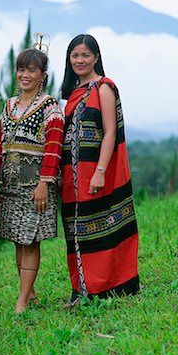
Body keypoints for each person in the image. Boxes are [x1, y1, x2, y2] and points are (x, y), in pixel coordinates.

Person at [60, 34, 139, 308]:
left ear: (96, 57)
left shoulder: (103, 87)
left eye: (85, 55)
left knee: (103, 226)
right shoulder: (72, 93)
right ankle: (81, 288)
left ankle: (107, 287)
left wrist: (101, 171)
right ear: (69, 60)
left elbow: (109, 132)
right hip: (71, 176)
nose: (80, 60)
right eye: (75, 55)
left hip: (94, 171)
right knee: (77, 231)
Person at [0, 39, 64, 314]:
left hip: (35, 184)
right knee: (18, 239)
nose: (25, 75)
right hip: (10, 183)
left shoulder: (50, 108)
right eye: (21, 69)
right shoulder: (8, 106)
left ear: (43, 75)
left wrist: (45, 183)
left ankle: (21, 301)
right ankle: (28, 293)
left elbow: (54, 148)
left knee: (30, 239)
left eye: (32, 70)